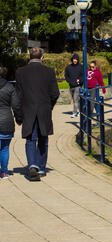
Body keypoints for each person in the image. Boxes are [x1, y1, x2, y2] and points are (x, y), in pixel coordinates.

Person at [15, 47, 60, 181]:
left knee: (30, 139)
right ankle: (40, 167)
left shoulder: (20, 72)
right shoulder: (49, 71)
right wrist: (49, 106)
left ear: (29, 57)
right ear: (42, 58)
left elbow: (18, 95)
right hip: (44, 110)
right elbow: (55, 93)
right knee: (43, 139)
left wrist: (18, 115)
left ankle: (32, 165)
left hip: (28, 110)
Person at [0, 64, 23, 179]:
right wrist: (19, 119)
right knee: (4, 148)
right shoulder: (9, 87)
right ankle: (4, 172)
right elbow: (16, 105)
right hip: (6, 122)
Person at [64, 53, 84, 118]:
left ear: (78, 60)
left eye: (76, 59)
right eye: (74, 59)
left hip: (78, 86)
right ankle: (81, 111)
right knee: (76, 100)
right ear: (72, 59)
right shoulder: (68, 67)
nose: (75, 60)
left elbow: (83, 76)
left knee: (76, 99)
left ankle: (74, 113)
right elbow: (66, 75)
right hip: (71, 86)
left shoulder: (81, 67)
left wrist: (79, 80)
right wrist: (69, 81)